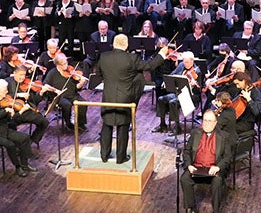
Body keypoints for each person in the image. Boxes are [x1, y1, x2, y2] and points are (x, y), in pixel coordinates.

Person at [98, 34, 168, 163]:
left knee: (107, 126)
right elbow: (149, 66)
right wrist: (162, 54)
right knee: (123, 128)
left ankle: (104, 155)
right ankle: (121, 157)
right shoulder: (131, 58)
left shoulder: (104, 57)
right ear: (126, 45)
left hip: (108, 97)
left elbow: (99, 74)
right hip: (125, 98)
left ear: (114, 44)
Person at [180, 110, 233, 213]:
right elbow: (187, 151)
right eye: (205, 120)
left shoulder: (223, 136)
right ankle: (192, 210)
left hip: (213, 169)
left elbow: (227, 157)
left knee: (218, 182)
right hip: (196, 167)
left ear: (215, 123)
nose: (207, 123)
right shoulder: (195, 133)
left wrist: (218, 167)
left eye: (210, 121)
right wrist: (189, 165)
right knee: (184, 179)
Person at [0, 79, 36, 177]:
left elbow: (8, 120)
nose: (7, 92)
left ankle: (25, 164)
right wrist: (6, 111)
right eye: (5, 90)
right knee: (11, 144)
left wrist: (16, 113)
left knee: (25, 138)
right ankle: (18, 167)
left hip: (5, 129)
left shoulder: (4, 101)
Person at [153, 52, 202, 136]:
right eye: (183, 61)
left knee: (173, 102)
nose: (184, 63)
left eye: (187, 62)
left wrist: (194, 85)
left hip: (191, 96)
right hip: (179, 93)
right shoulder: (181, 65)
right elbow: (173, 74)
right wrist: (166, 81)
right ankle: (162, 124)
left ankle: (177, 127)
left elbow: (199, 90)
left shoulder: (198, 71)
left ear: (192, 61)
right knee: (161, 99)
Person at [5, 65, 51, 146]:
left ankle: (32, 140)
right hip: (13, 112)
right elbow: (2, 97)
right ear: (14, 73)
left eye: (24, 75)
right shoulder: (7, 82)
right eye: (20, 75)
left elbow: (35, 101)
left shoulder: (27, 85)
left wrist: (41, 93)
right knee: (11, 125)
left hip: (26, 111)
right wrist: (18, 94)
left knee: (44, 122)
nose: (22, 77)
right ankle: (15, 146)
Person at [44, 55, 89, 132]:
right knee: (66, 105)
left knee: (83, 103)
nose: (66, 65)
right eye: (64, 64)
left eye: (66, 63)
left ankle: (81, 124)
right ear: (58, 65)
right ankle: (69, 123)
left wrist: (81, 83)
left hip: (72, 94)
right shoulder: (52, 73)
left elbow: (77, 87)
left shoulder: (71, 72)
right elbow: (45, 84)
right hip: (60, 97)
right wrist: (55, 90)